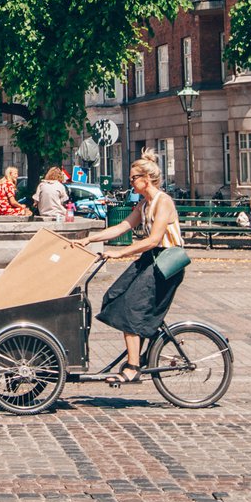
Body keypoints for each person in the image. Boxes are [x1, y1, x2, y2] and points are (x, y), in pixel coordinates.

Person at [72, 155, 184, 383]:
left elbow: (153, 240)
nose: (130, 182)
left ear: (147, 179)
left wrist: (119, 253)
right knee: (115, 296)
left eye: (133, 178)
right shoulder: (144, 204)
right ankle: (142, 349)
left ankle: (133, 367)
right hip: (151, 259)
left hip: (166, 262)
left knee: (131, 308)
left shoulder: (163, 202)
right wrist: (90, 239)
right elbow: (123, 226)